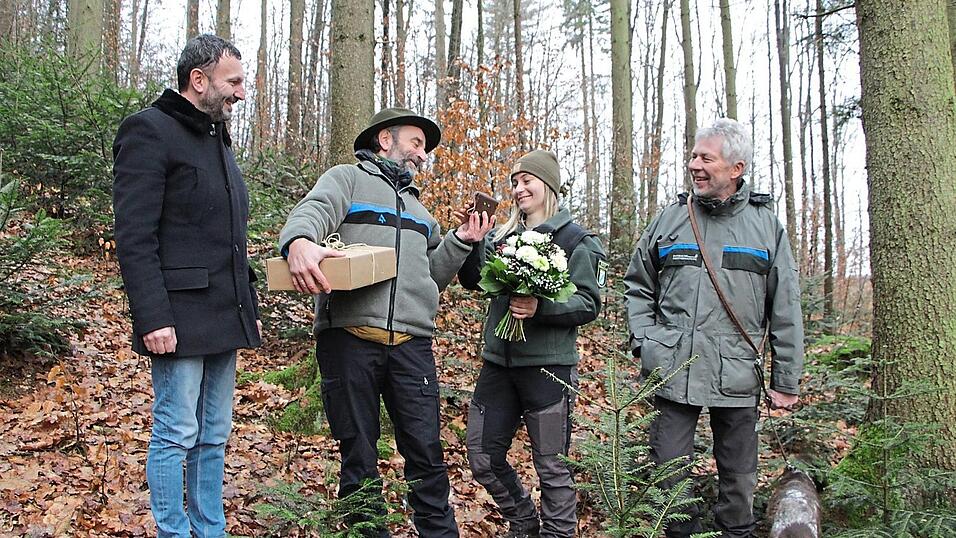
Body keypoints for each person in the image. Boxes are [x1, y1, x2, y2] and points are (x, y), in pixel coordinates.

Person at [278, 107, 495, 537]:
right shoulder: (347, 179)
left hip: (412, 346)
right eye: (416, 143)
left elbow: (431, 276)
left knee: (427, 456)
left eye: (425, 148)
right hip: (350, 339)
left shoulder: (421, 213)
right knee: (358, 455)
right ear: (385, 140)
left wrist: (461, 240)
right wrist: (299, 242)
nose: (422, 154)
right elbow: (315, 211)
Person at [623, 118, 804, 538]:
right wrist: (645, 341)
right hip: (672, 367)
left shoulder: (766, 226)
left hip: (738, 371)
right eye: (692, 156)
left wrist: (786, 379)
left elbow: (786, 306)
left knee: (738, 480)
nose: (694, 165)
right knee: (669, 474)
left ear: (736, 168)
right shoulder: (670, 219)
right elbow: (637, 283)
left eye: (706, 158)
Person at [112, 34, 261, 538]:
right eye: (233, 82)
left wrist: (249, 300)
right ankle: (174, 531)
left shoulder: (215, 136)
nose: (241, 92)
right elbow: (134, 236)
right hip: (176, 316)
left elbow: (224, 235)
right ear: (198, 81)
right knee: (176, 431)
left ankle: (209, 528)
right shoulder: (149, 131)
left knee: (214, 435)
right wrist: (152, 316)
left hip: (225, 310)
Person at [457, 150, 607, 538]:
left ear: (549, 186)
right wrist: (472, 242)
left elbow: (589, 303)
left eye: (528, 181)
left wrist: (541, 307)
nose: (519, 189)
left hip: (548, 370)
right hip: (498, 366)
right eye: (515, 183)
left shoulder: (577, 241)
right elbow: (476, 281)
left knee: (552, 466)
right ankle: (524, 522)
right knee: (482, 455)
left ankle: (557, 534)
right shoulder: (504, 237)